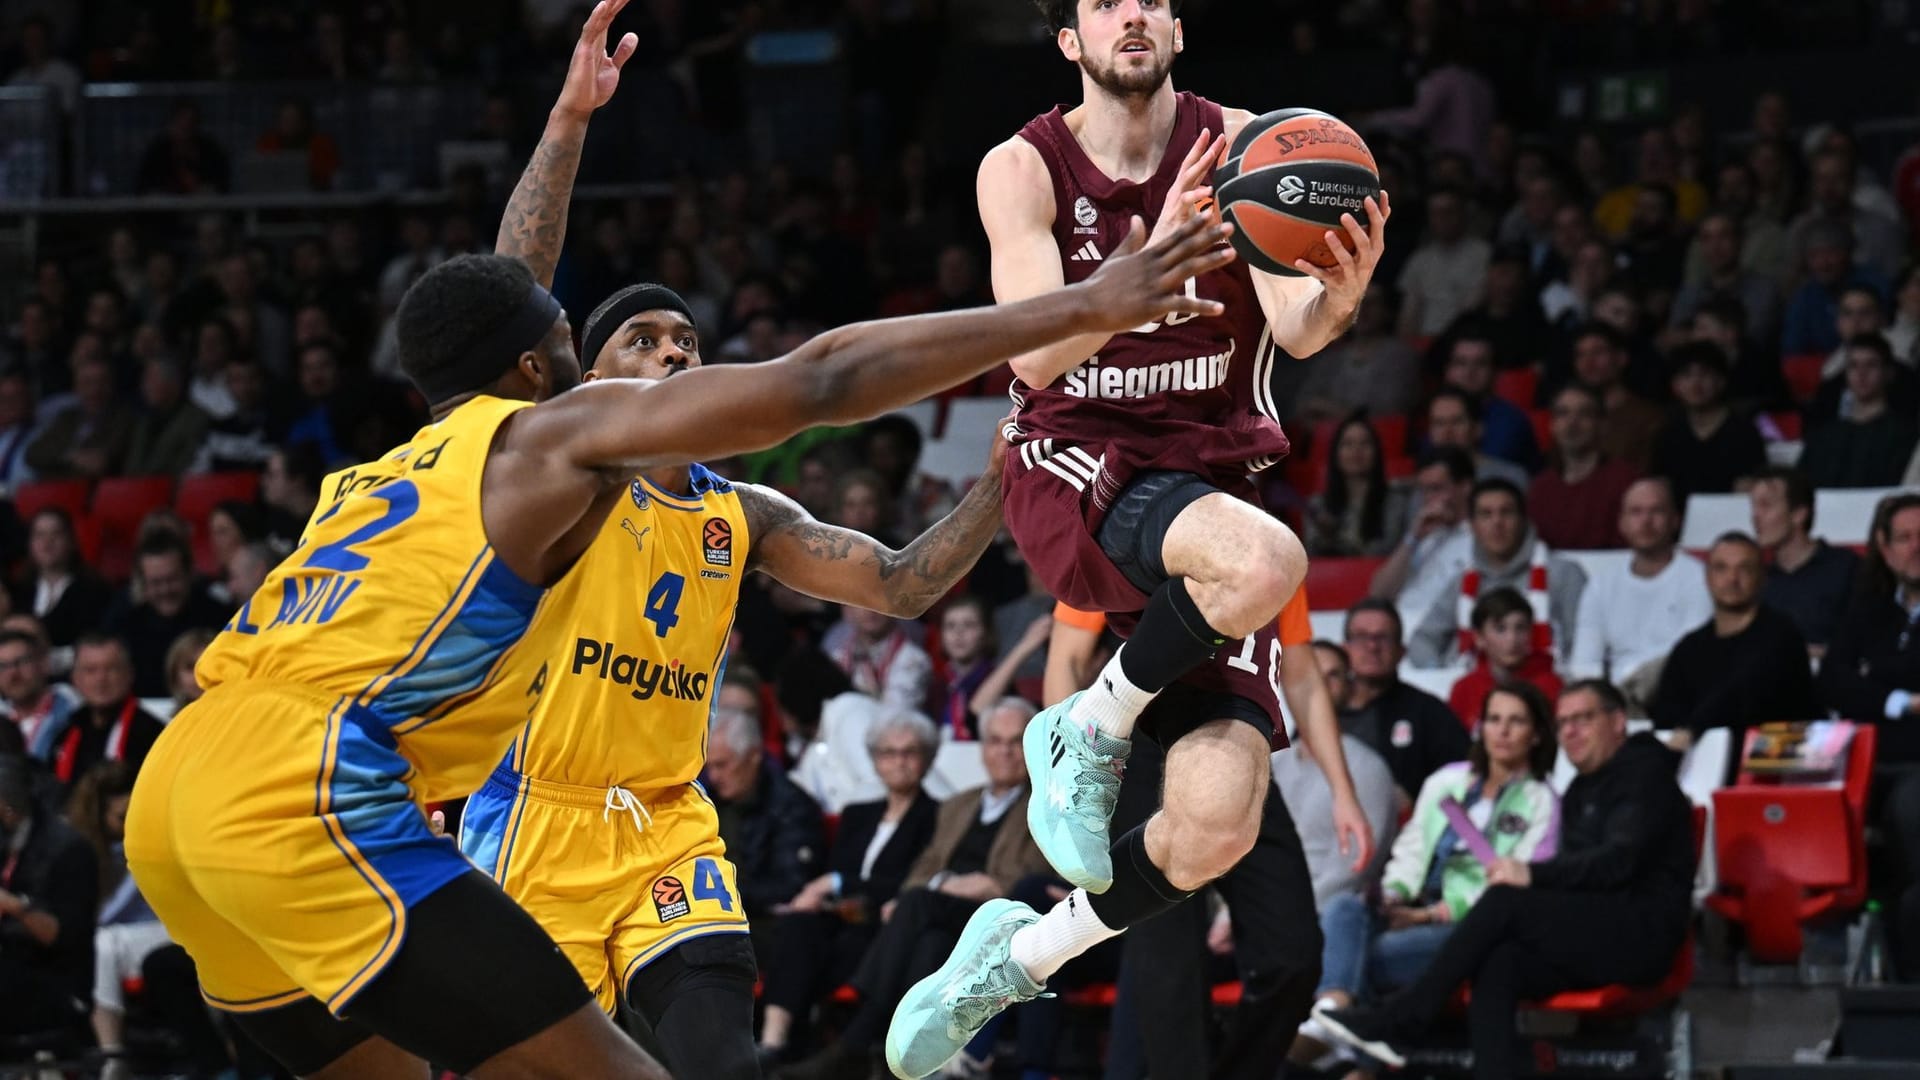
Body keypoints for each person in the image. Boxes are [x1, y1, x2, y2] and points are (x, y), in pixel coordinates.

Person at [119, 5, 1230, 1076]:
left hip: (225, 780)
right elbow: (813, 373)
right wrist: (1086, 306)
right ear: (563, 375)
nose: (670, 356)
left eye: (684, 338)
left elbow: (895, 584)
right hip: (431, 801)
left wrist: (1009, 462)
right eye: (621, 338)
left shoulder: (465, 473)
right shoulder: (553, 456)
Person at [888, 0, 1390, 1067]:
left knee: (1218, 821)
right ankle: (1093, 724)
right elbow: (1033, 359)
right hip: (1081, 460)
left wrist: (1339, 299)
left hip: (1210, 477)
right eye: (1109, 0)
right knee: (1266, 558)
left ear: (1175, 30)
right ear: (1069, 39)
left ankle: (1015, 960)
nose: (1137, 13)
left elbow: (1292, 328)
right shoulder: (1022, 169)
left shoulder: (1251, 142)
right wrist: (1136, 280)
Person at [1047, 586, 1375, 1080]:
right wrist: (1074, 780)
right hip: (1141, 750)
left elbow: (1302, 675)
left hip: (1238, 743)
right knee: (1169, 960)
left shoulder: (1273, 547)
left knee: (1295, 953)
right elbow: (1065, 660)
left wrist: (1342, 790)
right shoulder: (1117, 525)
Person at [1316, 680, 1694, 1077]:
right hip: (1597, 929)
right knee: (1499, 961)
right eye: (1563, 722)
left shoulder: (1644, 775)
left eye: (1583, 719)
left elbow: (1619, 864)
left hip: (1639, 937)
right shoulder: (1583, 787)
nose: (1571, 732)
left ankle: (1403, 1021)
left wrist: (1528, 875)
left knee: (1505, 900)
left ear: (1618, 722)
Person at [780, 701, 1051, 1080]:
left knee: (918, 905)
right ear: (983, 749)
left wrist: (951, 887)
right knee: (930, 942)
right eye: (994, 741)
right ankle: (905, 1062)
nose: (1004, 752)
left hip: (994, 921)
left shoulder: (1043, 805)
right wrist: (947, 884)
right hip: (945, 918)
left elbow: (1024, 877)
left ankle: (858, 1034)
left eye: (1013, 742)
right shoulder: (959, 804)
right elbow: (924, 869)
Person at [1298, 683, 1558, 1062]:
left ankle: (1336, 1035)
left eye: (1516, 721)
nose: (1502, 731)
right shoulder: (1446, 781)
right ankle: (1334, 1014)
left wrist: (1429, 915)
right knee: (1344, 908)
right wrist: (1392, 896)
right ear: (1480, 727)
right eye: (1494, 719)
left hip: (1472, 928)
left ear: (1535, 734)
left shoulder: (1542, 800)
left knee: (1362, 954)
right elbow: (1412, 849)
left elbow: (1516, 889)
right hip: (1411, 910)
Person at [757, 712, 941, 1064]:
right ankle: (772, 1041)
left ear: (927, 758)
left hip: (882, 928)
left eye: (909, 752)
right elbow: (833, 871)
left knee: (832, 944)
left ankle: (823, 1050)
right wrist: (830, 887)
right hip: (836, 918)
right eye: (888, 753)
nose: (898, 761)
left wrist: (838, 882)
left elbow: (907, 882)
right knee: (797, 926)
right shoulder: (858, 814)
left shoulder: (936, 816)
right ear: (874, 760)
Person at [1651, 532, 1816, 757]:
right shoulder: (1689, 648)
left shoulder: (1781, 635)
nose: (1732, 578)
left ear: (1762, 577)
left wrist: (1694, 728)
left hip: (1772, 761)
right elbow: (1666, 716)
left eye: (1744, 569)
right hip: (1697, 767)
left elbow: (1747, 693)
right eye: (1721, 568)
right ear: (1707, 577)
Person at [1405, 479, 1587, 670]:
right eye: (1486, 514)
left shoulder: (1564, 574)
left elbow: (1582, 644)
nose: (1497, 523)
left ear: (1523, 520)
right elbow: (1423, 639)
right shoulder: (1462, 581)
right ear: (1473, 526)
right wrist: (1441, 676)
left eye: (1506, 512)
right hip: (1470, 685)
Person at [68, 761, 172, 1080]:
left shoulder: (152, 837)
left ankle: (113, 1052)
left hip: (166, 927)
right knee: (100, 944)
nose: (129, 824)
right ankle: (109, 1051)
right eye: (121, 818)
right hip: (119, 936)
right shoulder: (84, 849)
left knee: (103, 944)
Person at [1568, 478, 1711, 687]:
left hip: (1678, 690)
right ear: (1621, 523)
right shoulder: (1601, 584)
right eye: (1636, 512)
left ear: (1675, 520)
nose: (1646, 521)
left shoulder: (1699, 577)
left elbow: (1692, 654)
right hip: (1616, 699)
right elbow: (1585, 663)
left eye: (1657, 511)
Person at [0, 753, 98, 1042]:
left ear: (8, 807)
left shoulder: (69, 850)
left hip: (57, 984)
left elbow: (66, 938)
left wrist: (13, 905)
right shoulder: (7, 839)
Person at [704, 706, 827, 926]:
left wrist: (719, 892)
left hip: (762, 923)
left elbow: (792, 884)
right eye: (709, 767)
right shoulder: (705, 800)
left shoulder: (791, 806)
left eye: (722, 765)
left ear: (754, 756)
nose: (714, 776)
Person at [1343, 599, 1471, 810]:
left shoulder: (1431, 714)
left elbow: (1465, 780)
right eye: (1361, 637)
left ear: (1401, 651)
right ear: (1344, 649)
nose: (1372, 646)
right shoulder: (1322, 711)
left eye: (1383, 637)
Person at [29, 635, 167, 794]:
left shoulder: (153, 734)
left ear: (129, 674)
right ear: (75, 678)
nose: (101, 679)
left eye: (111, 668)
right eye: (90, 670)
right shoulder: (64, 733)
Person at [1751, 465, 1859, 655]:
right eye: (1753, 506)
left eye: (1766, 505)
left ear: (1799, 514)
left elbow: (1869, 642)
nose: (1755, 516)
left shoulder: (1846, 567)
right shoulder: (1757, 578)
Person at [106, 533, 229, 699]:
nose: (165, 590)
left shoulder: (222, 619)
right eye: (156, 582)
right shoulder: (125, 627)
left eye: (172, 579)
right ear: (143, 583)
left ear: (189, 574)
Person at [1370, 446, 1475, 630]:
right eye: (1424, 491)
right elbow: (1378, 594)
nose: (1429, 498)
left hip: (1439, 636)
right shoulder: (1423, 538)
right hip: (1397, 630)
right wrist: (1412, 538)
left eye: (1436, 488)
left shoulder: (1482, 539)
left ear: (1465, 487)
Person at [1650, 341, 1767, 503]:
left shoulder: (1744, 433)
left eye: (1705, 374)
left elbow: (1748, 489)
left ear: (1721, 381)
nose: (1695, 383)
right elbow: (1661, 487)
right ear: (1675, 385)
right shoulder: (1668, 434)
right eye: (1686, 375)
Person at [1528, 383, 1639, 551]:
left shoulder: (1626, 480)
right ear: (1552, 425)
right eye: (1563, 414)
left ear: (1602, 425)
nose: (1572, 423)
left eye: (1584, 414)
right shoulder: (1540, 488)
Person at [1800, 335, 1918, 489]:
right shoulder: (1824, 436)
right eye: (1853, 365)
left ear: (1889, 373)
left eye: (1871, 365)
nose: (1861, 373)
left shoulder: (1905, 434)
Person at [1447, 588, 1563, 730]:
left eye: (1520, 628)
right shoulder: (1464, 690)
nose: (1512, 639)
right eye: (1500, 629)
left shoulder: (1551, 686)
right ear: (1479, 638)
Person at [1304, 415, 1409, 558]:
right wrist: (1326, 538)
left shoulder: (1396, 502)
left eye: (1365, 443)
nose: (1356, 451)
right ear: (1336, 454)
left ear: (1376, 452)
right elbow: (1312, 557)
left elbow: (1389, 550)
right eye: (1348, 444)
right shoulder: (1318, 505)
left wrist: (1342, 541)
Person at [1423, 388, 1531, 488]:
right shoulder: (1422, 482)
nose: (1447, 432)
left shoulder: (1510, 477)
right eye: (1439, 423)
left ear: (1477, 429)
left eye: (1457, 422)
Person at [0, 627, 81, 749]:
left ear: (43, 663)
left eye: (22, 661)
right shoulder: (2, 714)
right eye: (3, 666)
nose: (13, 673)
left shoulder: (72, 705)